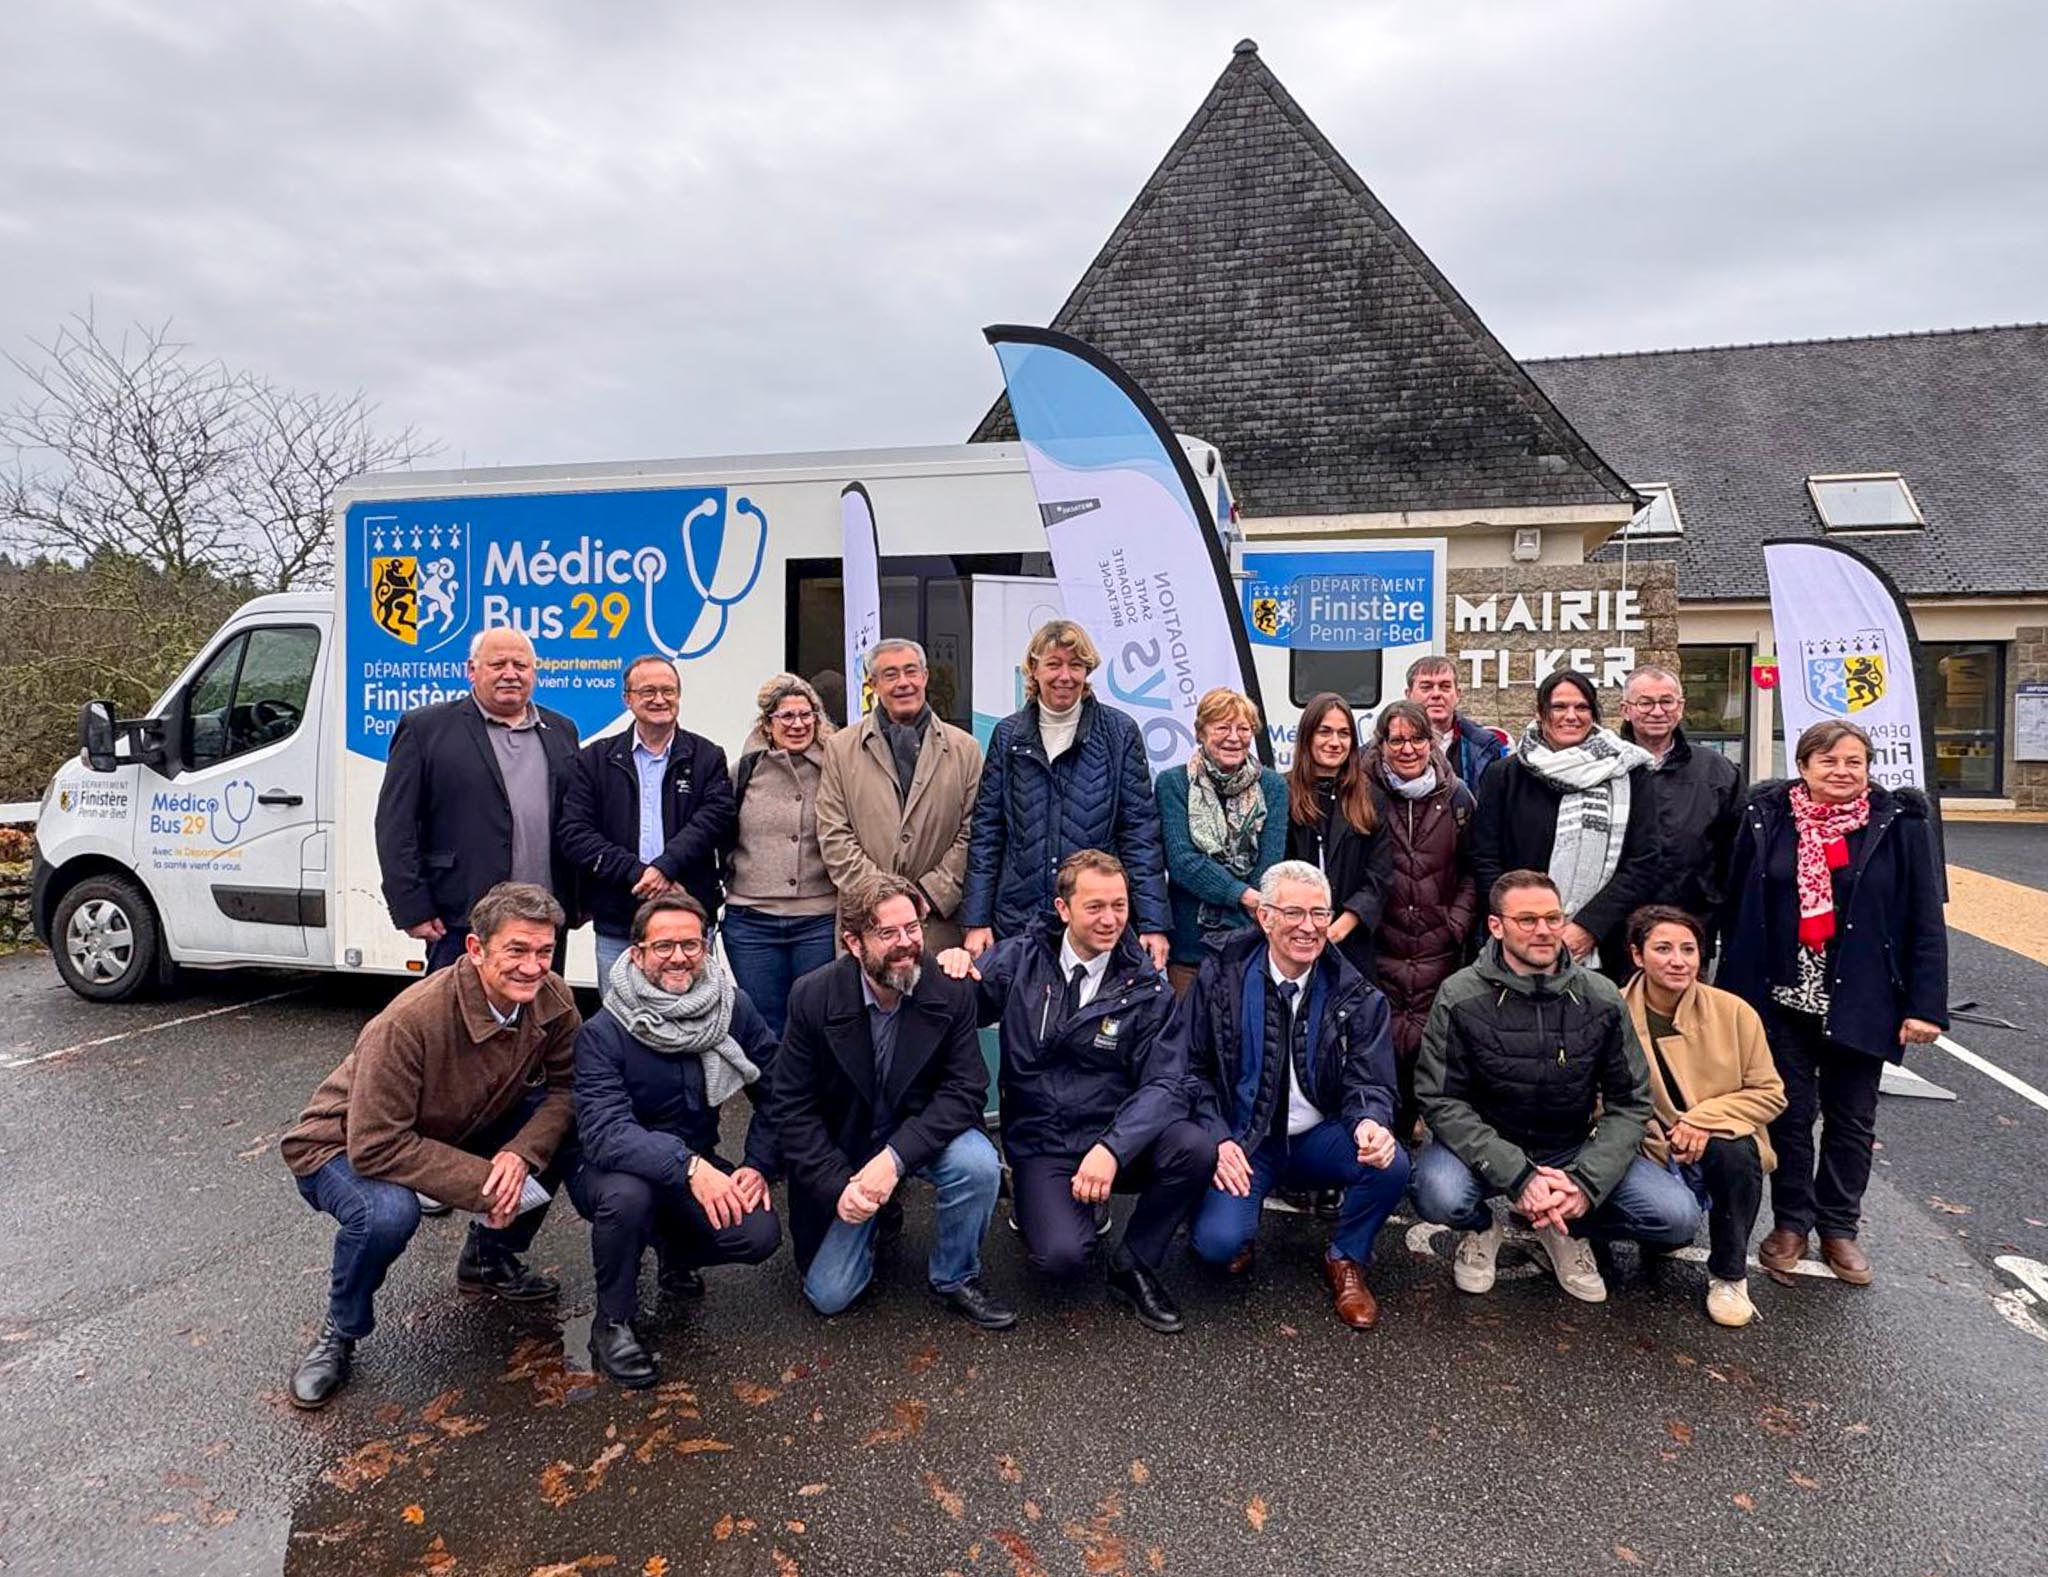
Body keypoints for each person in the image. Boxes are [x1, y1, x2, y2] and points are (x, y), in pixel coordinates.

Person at [279, 883, 579, 1409]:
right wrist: (487, 1186)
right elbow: (374, 1144)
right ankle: (340, 1333)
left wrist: (518, 1154)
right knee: (387, 1214)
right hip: (341, 1144)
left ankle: (489, 1260)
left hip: (452, 1125)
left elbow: (567, 1088)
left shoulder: (552, 999)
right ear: (476, 949)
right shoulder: (409, 1021)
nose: (533, 967)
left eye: (544, 951)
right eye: (516, 950)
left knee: (557, 1134)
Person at [936, 851, 1216, 1334]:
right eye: (1095, 907)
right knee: (1062, 1259)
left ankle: (1134, 1264)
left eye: (1120, 905)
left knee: (1193, 1147)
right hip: (1044, 1139)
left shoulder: (1148, 985)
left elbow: (1168, 1084)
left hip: (1114, 1135)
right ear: (1063, 909)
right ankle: (1047, 1203)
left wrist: (1113, 1147)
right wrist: (954, 967)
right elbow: (960, 1012)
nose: (1110, 920)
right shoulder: (1019, 959)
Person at [1717, 720, 1946, 1288]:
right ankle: (1791, 1220)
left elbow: (1924, 918)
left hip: (1864, 997)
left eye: (1854, 762)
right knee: (1791, 1115)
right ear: (1804, 766)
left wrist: (1926, 1005)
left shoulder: (1900, 825)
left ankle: (1840, 1226)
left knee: (1851, 1117)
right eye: (1829, 762)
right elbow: (1738, 901)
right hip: (1782, 994)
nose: (1842, 772)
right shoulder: (1766, 817)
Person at [1412, 870, 1700, 1304]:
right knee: (1437, 1193)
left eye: (1553, 918)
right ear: (1496, 926)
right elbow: (1440, 1099)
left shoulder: (1601, 996)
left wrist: (1584, 1184)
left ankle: (1565, 1228)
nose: (1544, 931)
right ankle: (1480, 1229)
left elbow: (1631, 1101)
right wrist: (1518, 1174)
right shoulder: (1459, 994)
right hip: (1486, 1147)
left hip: (1571, 1148)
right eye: (1527, 920)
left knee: (1677, 1217)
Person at [772, 874, 1014, 1328]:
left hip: (917, 1136)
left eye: (912, 928)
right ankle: (874, 1219)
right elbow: (791, 1107)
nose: (906, 944)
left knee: (979, 1164)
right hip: (846, 1150)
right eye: (888, 933)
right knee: (829, 1295)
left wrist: (895, 1160)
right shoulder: (813, 995)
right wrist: (836, 1187)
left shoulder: (950, 988)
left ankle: (956, 1275)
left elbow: (965, 1091)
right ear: (853, 942)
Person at [1180, 860, 1409, 1330]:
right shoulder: (1220, 978)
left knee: (1392, 1164)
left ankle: (1346, 1257)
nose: (1308, 927)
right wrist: (1217, 1137)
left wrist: (1370, 1122)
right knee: (1216, 1246)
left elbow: (1371, 1080)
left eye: (1319, 914)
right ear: (1264, 917)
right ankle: (1238, 1228)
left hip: (1319, 1136)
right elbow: (1191, 1069)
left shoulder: (1356, 993)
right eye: (1293, 913)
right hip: (1245, 1141)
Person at [569, 894, 781, 1388]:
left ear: (706, 946)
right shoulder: (604, 1030)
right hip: (609, 1169)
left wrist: (756, 1165)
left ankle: (673, 1252)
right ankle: (613, 1323)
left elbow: (779, 1090)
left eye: (691, 943)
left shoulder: (732, 1008)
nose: (679, 955)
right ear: (638, 951)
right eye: (664, 945)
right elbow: (604, 1134)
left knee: (758, 1232)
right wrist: (690, 1166)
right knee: (629, 1197)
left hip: (694, 1162)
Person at [960, 620, 1170, 966]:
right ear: (1033, 669)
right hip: (1019, 918)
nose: (1065, 676)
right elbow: (987, 832)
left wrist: (1153, 924)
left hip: (1095, 922)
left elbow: (1140, 835)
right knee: (1023, 1017)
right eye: (1053, 664)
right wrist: (976, 919)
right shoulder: (1008, 735)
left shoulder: (1119, 733)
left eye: (1076, 665)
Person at [374, 628, 581, 971]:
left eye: (521, 665)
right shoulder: (425, 728)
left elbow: (575, 818)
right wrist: (412, 906)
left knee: (539, 1019)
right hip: (460, 916)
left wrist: (579, 899)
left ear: (535, 671)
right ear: (471, 670)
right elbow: (396, 825)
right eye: (497, 664)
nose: (510, 674)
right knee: (458, 1019)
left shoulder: (562, 730)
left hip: (543, 917)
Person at [1622, 905, 1786, 1328]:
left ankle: (1730, 1276)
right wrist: (1664, 1135)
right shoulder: (1613, 1011)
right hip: (1647, 1143)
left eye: (1688, 949)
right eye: (1663, 948)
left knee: (1737, 1152)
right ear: (1637, 956)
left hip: (1714, 1137)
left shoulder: (1734, 1012)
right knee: (1669, 1224)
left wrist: (1703, 1119)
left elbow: (1770, 1094)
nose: (1678, 960)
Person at [1469, 669, 1662, 978]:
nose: (1571, 716)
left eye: (1582, 707)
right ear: (1540, 712)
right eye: (1559, 706)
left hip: (1603, 949)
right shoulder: (1504, 775)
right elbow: (1483, 857)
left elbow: (1644, 862)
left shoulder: (1629, 773)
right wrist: (1521, 923)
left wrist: (1588, 927)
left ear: (1594, 714)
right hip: (1515, 948)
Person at [559, 655, 736, 984]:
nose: (660, 699)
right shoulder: (594, 761)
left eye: (668, 691)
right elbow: (575, 833)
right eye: (648, 691)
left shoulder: (707, 757)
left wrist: (667, 866)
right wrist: (639, 873)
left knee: (691, 1014)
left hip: (689, 916)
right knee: (620, 1020)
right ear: (627, 699)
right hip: (619, 921)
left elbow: (715, 818)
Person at [815, 638, 983, 954]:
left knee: (936, 1002)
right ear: (872, 684)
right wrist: (882, 898)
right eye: (890, 675)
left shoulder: (966, 749)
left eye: (911, 671)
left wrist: (930, 894)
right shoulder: (840, 749)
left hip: (938, 924)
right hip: (868, 923)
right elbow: (834, 834)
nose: (903, 683)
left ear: (926, 676)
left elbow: (974, 832)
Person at [1362, 700, 1478, 1140]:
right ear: (1382, 744)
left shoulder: (1458, 797)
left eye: (1417, 738)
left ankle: (1413, 1126)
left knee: (1428, 1044)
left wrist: (1457, 922)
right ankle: (1380, 1134)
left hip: (1438, 944)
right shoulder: (1364, 792)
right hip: (1382, 941)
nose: (1407, 749)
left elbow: (1472, 868)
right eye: (1396, 740)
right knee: (1380, 1042)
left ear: (1432, 743)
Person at [723, 673, 838, 1037]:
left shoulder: (837, 771)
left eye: (806, 715)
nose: (798, 724)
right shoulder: (742, 772)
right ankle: (771, 1097)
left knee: (815, 1024)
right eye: (786, 716)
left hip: (818, 921)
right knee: (764, 1027)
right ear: (767, 724)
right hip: (752, 922)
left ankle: (813, 1097)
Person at [1154, 687, 1289, 994]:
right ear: (1201, 732)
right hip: (1190, 948)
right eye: (1222, 727)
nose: (1234, 737)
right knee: (1188, 1040)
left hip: (1251, 946)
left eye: (1243, 728)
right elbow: (1182, 862)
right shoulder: (1173, 784)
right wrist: (1244, 896)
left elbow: (1270, 865)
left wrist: (1251, 902)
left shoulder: (1273, 786)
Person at [1618, 665, 1745, 955]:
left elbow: (1734, 854)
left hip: (1692, 925)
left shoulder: (1718, 771)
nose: (1657, 711)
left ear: (1681, 706)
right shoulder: (1604, 767)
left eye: (1667, 701)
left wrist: (1717, 907)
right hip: (1617, 928)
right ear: (1626, 710)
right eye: (1645, 703)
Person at [1285, 693, 1392, 984]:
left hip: (1351, 943)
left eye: (1344, 733)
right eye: (1325, 731)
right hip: (1292, 940)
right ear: (1307, 736)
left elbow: (1379, 876)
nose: (1335, 742)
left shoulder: (1371, 797)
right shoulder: (1282, 792)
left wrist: (1343, 925)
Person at [1406, 655, 1505, 789]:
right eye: (1426, 687)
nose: (1436, 694)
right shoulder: (1386, 746)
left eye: (1445, 687)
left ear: (1458, 694)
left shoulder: (1485, 746)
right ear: (1408, 694)